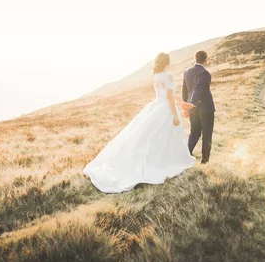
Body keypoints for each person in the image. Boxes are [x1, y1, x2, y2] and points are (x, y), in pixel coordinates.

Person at [83, 52, 196, 193]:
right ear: (167, 61)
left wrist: (182, 103)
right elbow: (169, 97)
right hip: (165, 109)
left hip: (157, 106)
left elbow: (169, 95)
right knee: (164, 137)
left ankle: (159, 160)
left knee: (153, 137)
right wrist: (175, 116)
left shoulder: (156, 76)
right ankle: (165, 162)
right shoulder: (169, 76)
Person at [182, 50, 215, 164]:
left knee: (194, 132)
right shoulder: (205, 73)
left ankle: (186, 155)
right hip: (206, 109)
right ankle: (204, 161)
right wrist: (190, 107)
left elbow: (184, 92)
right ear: (205, 60)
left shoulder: (186, 72)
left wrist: (187, 108)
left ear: (195, 59)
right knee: (207, 134)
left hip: (192, 109)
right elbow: (197, 89)